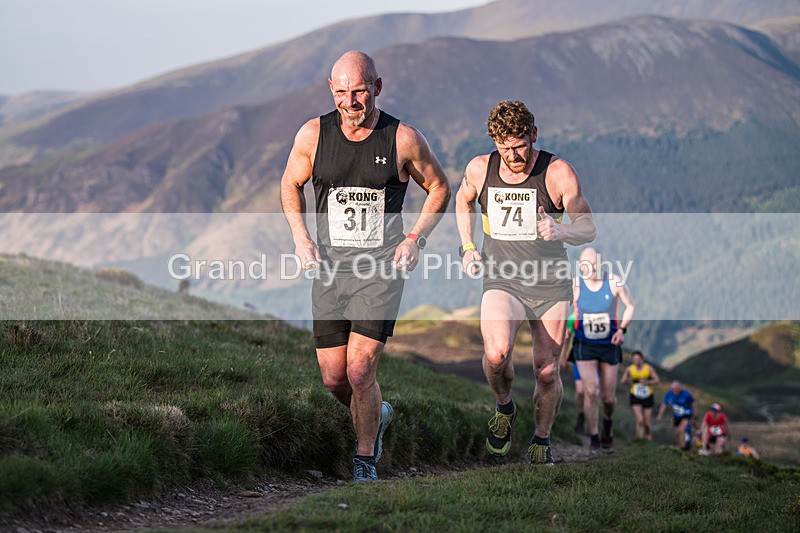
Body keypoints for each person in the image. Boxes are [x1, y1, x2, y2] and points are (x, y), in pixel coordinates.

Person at [280, 51, 451, 482]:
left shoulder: (403, 138)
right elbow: (290, 184)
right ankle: (380, 411)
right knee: (335, 379)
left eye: (359, 91)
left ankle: (364, 460)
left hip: (382, 268)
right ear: (330, 89)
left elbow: (439, 188)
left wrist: (416, 239)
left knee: (360, 371)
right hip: (329, 269)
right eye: (341, 92)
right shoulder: (312, 135)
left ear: (377, 86)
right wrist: (300, 238)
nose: (351, 102)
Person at [455, 100, 595, 465]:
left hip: (550, 284)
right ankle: (504, 409)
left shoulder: (558, 173)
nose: (513, 156)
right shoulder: (480, 168)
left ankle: (542, 439)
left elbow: (589, 227)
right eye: (504, 149)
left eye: (519, 146)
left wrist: (560, 229)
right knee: (496, 353)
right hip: (503, 279)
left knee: (547, 371)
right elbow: (462, 200)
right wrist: (468, 248)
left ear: (533, 135)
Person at [570, 247, 635, 450]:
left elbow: (631, 306)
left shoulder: (614, 283)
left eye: (595, 264)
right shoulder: (575, 285)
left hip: (609, 345)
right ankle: (594, 435)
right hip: (584, 345)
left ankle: (607, 420)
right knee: (590, 391)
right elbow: (562, 306)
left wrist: (622, 330)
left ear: (601, 263)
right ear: (581, 266)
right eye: (586, 265)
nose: (591, 268)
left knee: (607, 398)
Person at [619, 350, 660, 440]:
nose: (636, 361)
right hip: (635, 395)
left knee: (647, 422)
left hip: (647, 395)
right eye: (634, 359)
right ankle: (638, 440)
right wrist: (628, 380)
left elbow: (657, 380)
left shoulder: (648, 368)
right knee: (640, 420)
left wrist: (648, 381)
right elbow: (622, 381)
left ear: (642, 359)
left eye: (638, 359)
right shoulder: (629, 369)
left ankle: (648, 438)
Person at [657, 381, 696, 450]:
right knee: (676, 432)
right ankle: (678, 445)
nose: (675, 392)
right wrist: (660, 414)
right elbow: (664, 404)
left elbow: (693, 404)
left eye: (676, 390)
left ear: (680, 389)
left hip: (686, 414)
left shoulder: (686, 394)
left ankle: (683, 446)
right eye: (673, 390)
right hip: (676, 415)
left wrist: (694, 416)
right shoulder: (669, 394)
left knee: (681, 430)